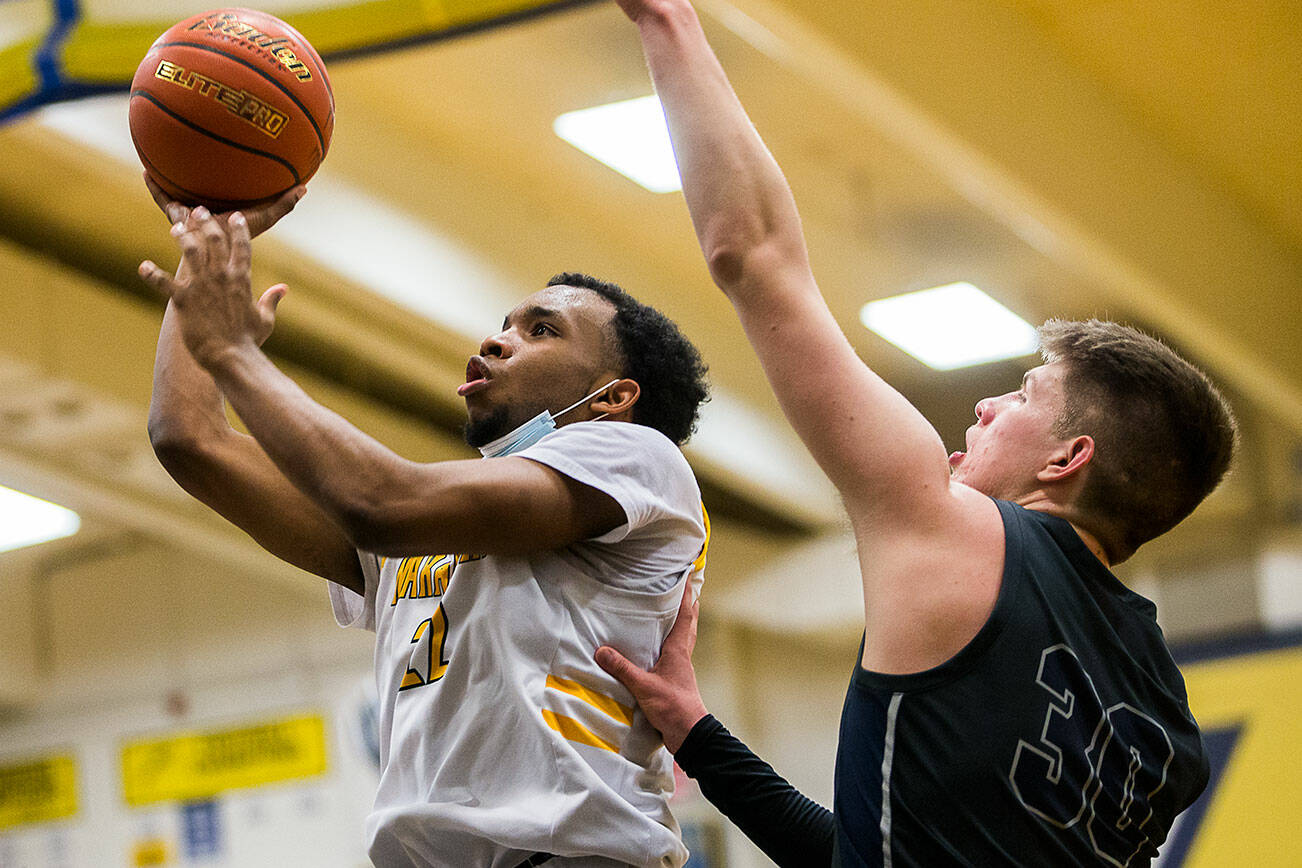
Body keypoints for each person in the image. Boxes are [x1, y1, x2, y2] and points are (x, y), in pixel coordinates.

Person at [595, 1, 1238, 866]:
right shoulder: (1165, 715)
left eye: (1019, 394)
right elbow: (873, 853)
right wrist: (699, 735)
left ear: (1068, 457)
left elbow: (752, 256)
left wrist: (668, 22)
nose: (981, 409)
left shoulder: (954, 532)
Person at [140, 181, 711, 868]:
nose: (496, 341)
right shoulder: (429, 524)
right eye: (503, 323)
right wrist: (206, 254)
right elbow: (190, 441)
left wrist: (233, 353)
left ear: (614, 397)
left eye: (541, 329)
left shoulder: (641, 459)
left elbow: (379, 503)